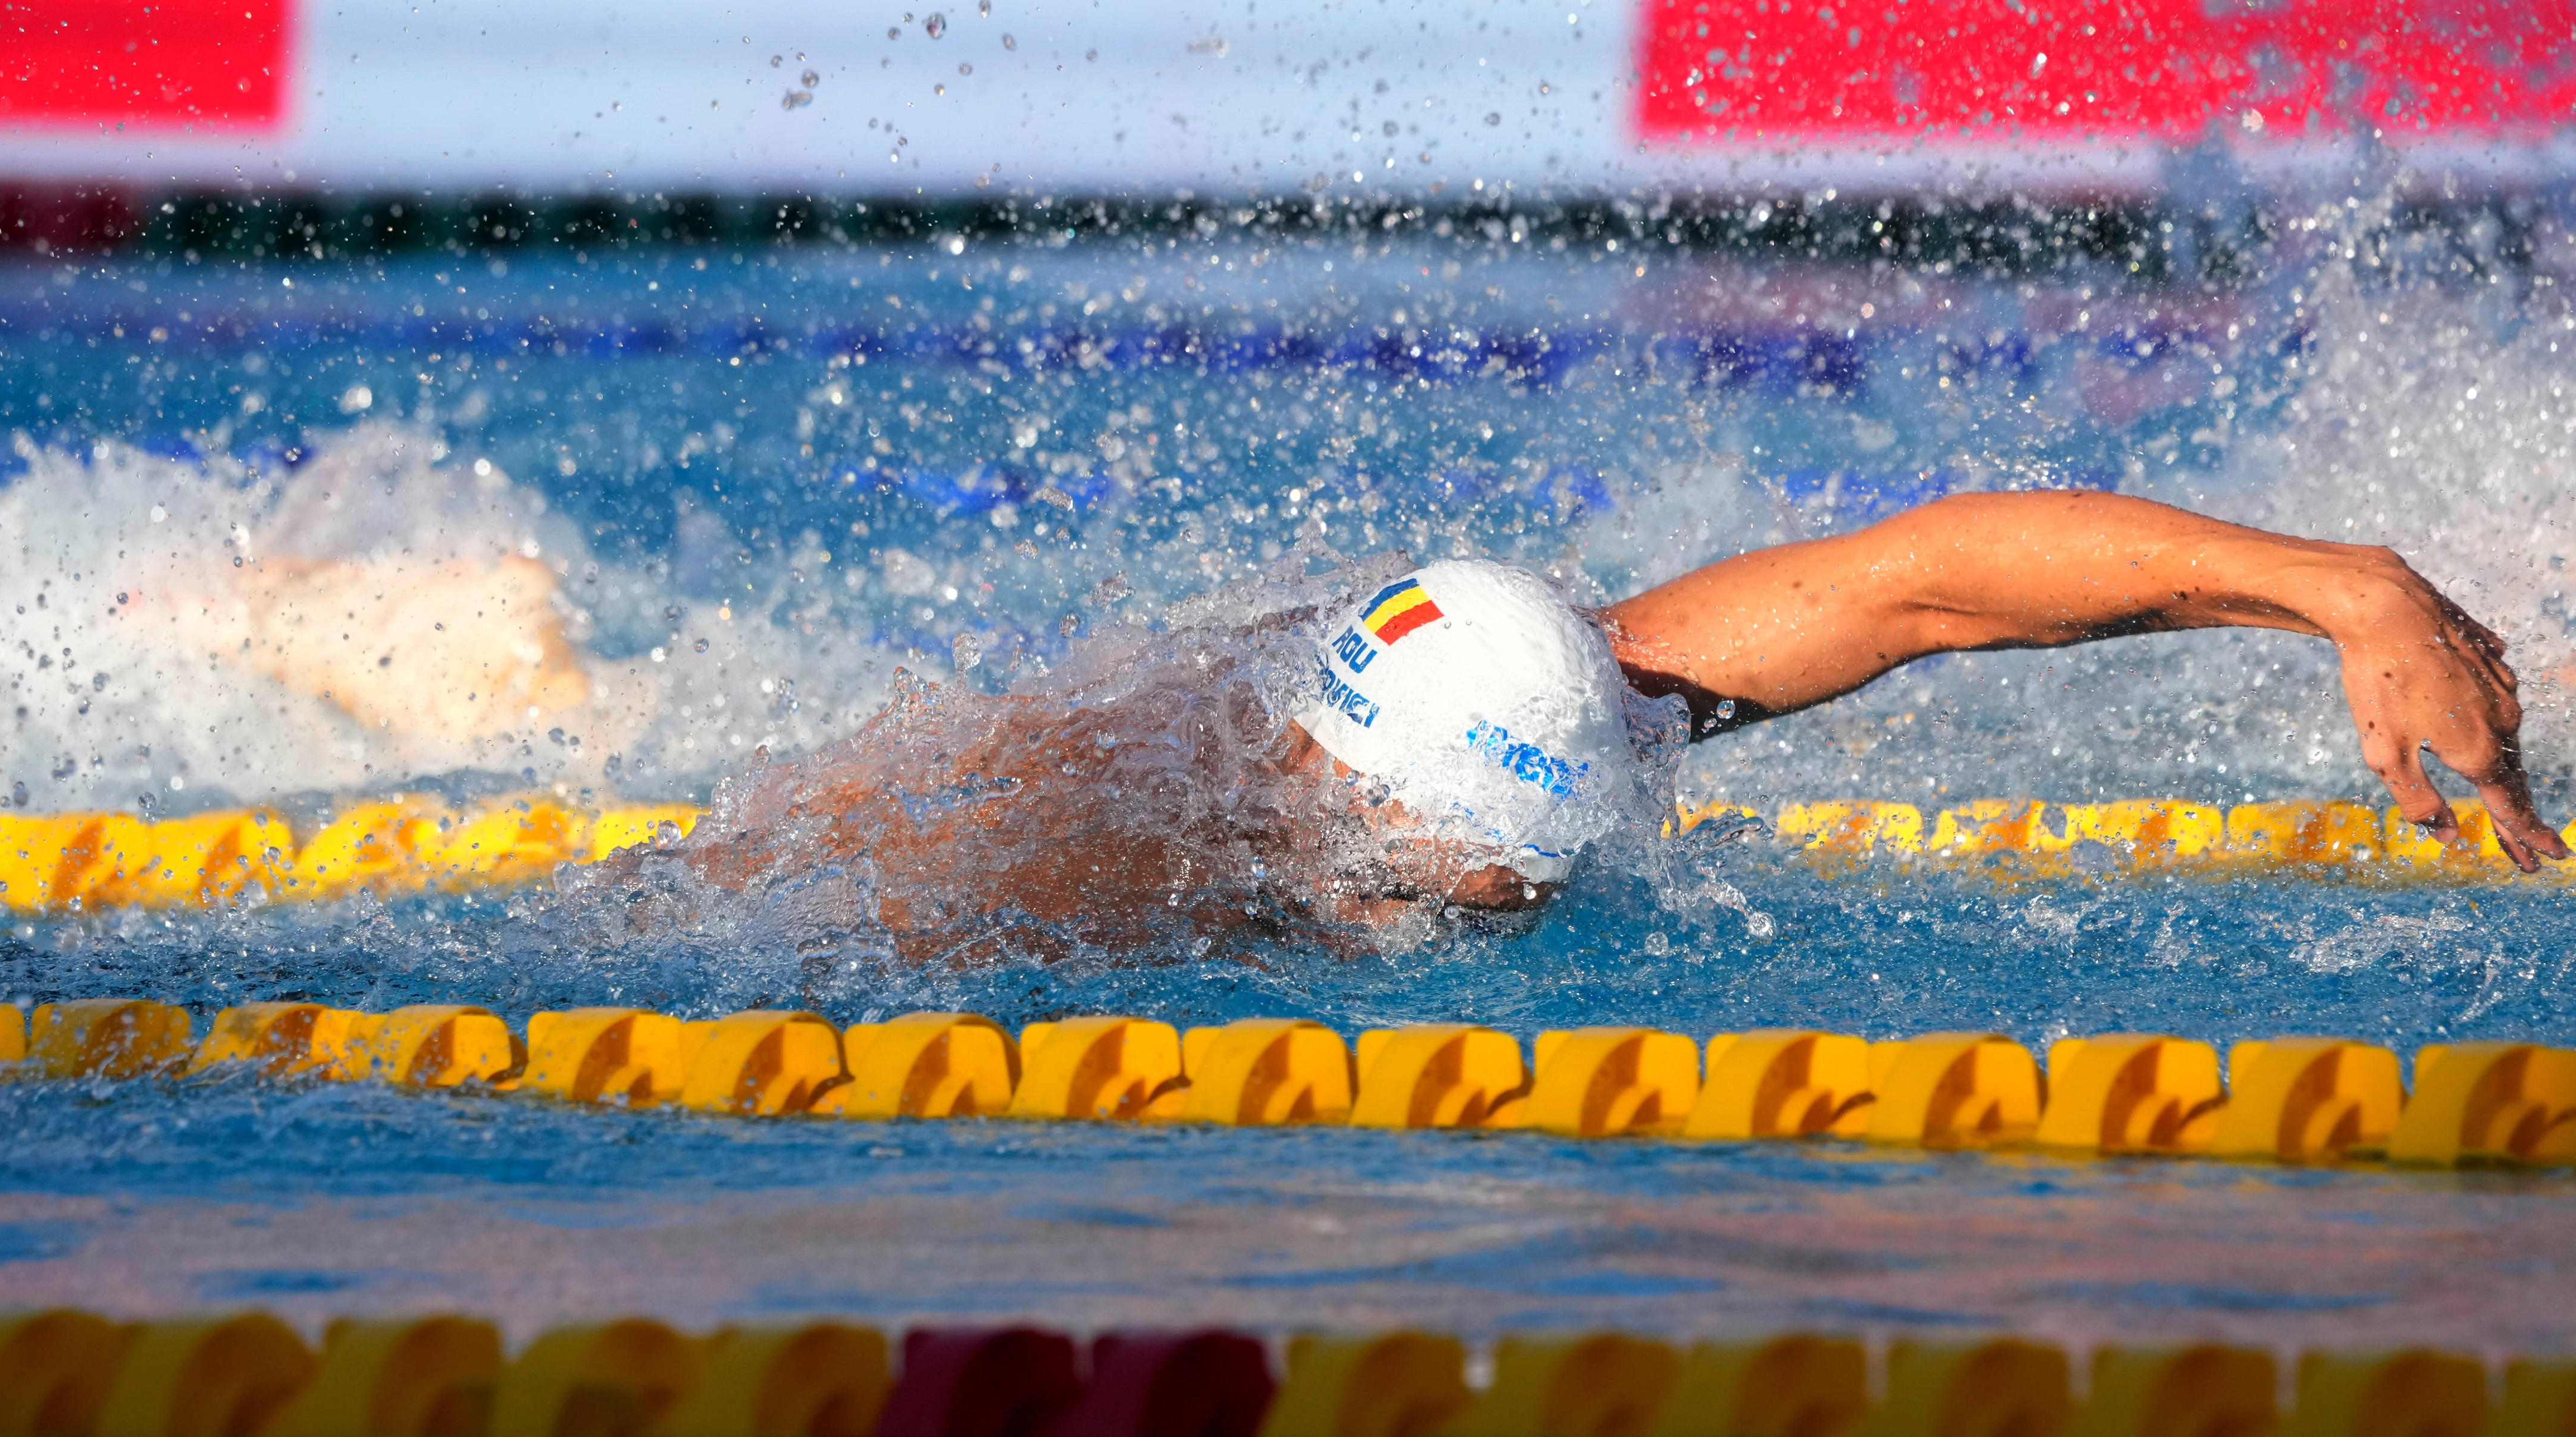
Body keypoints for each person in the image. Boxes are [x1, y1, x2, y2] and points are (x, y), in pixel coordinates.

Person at [673, 490, 2563, 955]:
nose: (1521, 906)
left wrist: (2346, 587)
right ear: (1341, 807)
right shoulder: (1084, 863)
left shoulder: (1574, 688)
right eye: (1490, 876)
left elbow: (1924, 582)